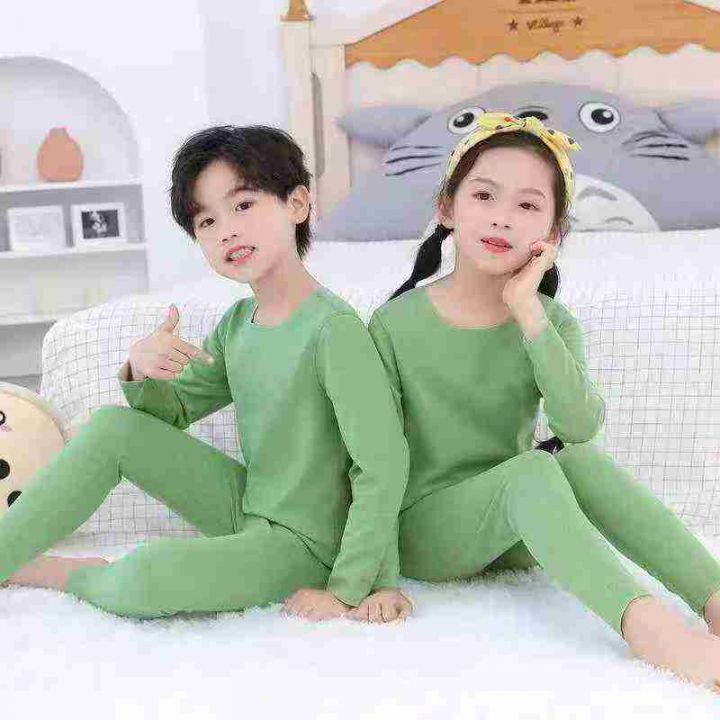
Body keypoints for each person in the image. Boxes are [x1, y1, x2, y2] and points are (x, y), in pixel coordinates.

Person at [363, 111, 720, 688]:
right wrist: (376, 577)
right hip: (428, 534)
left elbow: (578, 428)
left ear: (552, 236)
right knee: (533, 469)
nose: (502, 217)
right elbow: (371, 458)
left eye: (528, 205)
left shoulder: (550, 322)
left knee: (571, 459)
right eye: (484, 195)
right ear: (447, 209)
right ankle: (652, 631)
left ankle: (715, 598)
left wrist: (528, 310)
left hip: (513, 530)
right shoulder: (393, 325)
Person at [0, 125, 412, 624]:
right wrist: (142, 369)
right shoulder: (238, 323)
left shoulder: (334, 330)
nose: (227, 231)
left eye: (243, 205)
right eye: (207, 221)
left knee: (144, 577)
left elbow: (383, 466)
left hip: (308, 546)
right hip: (250, 507)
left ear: (298, 204)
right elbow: (167, 415)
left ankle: (72, 574)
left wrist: (349, 588)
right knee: (112, 428)